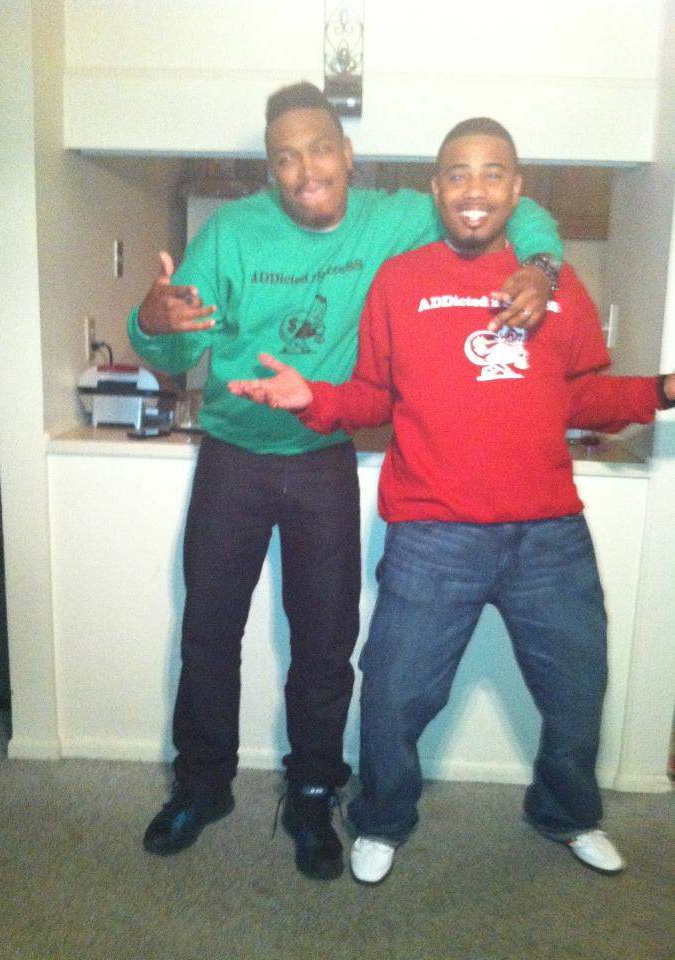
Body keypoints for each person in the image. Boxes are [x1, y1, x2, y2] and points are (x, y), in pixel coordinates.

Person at [127, 82, 564, 881]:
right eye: (285, 158)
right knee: (208, 632)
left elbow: (513, 207)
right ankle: (202, 785)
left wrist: (540, 269)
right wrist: (149, 324)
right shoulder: (231, 234)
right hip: (231, 457)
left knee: (326, 642)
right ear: (271, 169)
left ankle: (312, 791)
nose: (306, 170)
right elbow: (174, 345)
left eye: (319, 149)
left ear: (347, 154)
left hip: (323, 457)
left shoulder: (393, 218)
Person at [228, 116, 675, 885]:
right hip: (432, 534)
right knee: (394, 696)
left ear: (515, 188)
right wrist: (315, 398)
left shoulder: (556, 287)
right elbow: (373, 395)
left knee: (577, 691)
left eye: (492, 173)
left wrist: (661, 389)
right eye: (458, 174)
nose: (475, 189)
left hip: (548, 535)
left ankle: (566, 813)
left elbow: (579, 397)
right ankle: (380, 820)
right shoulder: (399, 282)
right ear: (436, 189)